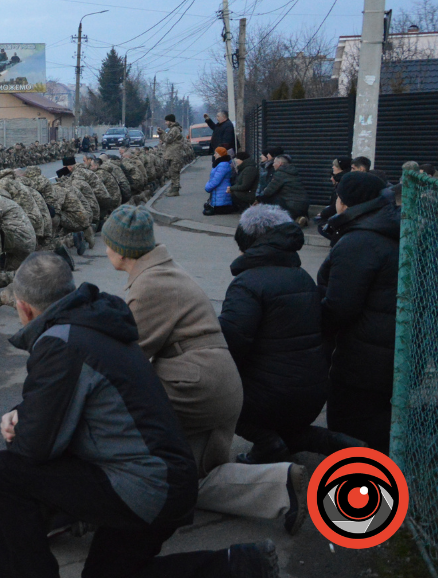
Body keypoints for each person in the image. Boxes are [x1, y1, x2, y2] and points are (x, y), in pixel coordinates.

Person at [0, 254, 278, 578]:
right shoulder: (93, 322)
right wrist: (20, 413)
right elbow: (67, 396)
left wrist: (21, 426)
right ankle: (242, 566)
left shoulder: (60, 344)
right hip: (167, 478)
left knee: (5, 473)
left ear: (24, 308)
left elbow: (34, 447)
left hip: (143, 486)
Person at [103, 206, 308, 534]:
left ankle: (108, 504)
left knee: (117, 421)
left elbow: (130, 358)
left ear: (123, 249)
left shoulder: (151, 284)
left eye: (109, 244)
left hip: (194, 387)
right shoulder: (161, 272)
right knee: (192, 478)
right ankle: (280, 484)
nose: (106, 249)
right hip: (214, 384)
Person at [220, 206, 361, 463]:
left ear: (247, 243)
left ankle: (267, 442)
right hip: (312, 393)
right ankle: (341, 444)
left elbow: (231, 345)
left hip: (271, 398)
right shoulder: (301, 277)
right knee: (292, 428)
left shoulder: (247, 283)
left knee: (217, 395)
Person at [317, 171, 399, 452]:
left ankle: (357, 488)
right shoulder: (390, 229)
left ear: (346, 202)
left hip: (361, 360)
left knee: (351, 429)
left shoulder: (359, 242)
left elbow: (340, 307)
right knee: (378, 427)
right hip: (391, 352)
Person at [255, 154, 309, 223]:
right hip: (304, 205)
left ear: (280, 163)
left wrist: (258, 198)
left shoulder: (280, 174)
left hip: (291, 206)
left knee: (268, 198)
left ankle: (287, 218)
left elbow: (268, 192)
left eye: (274, 162)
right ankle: (301, 216)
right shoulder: (293, 172)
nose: (273, 164)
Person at [159, 114, 186, 197]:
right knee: (173, 172)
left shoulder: (174, 129)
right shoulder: (173, 129)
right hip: (173, 154)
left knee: (174, 172)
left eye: (166, 121)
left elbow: (167, 140)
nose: (165, 123)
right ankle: (173, 188)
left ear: (170, 121)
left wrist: (161, 134)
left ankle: (175, 189)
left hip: (175, 155)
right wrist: (163, 133)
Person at [203, 147, 234, 216]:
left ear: (220, 155)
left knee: (220, 210)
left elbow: (216, 180)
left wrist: (207, 187)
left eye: (216, 153)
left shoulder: (222, 165)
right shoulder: (222, 164)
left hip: (221, 194)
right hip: (220, 194)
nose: (214, 155)